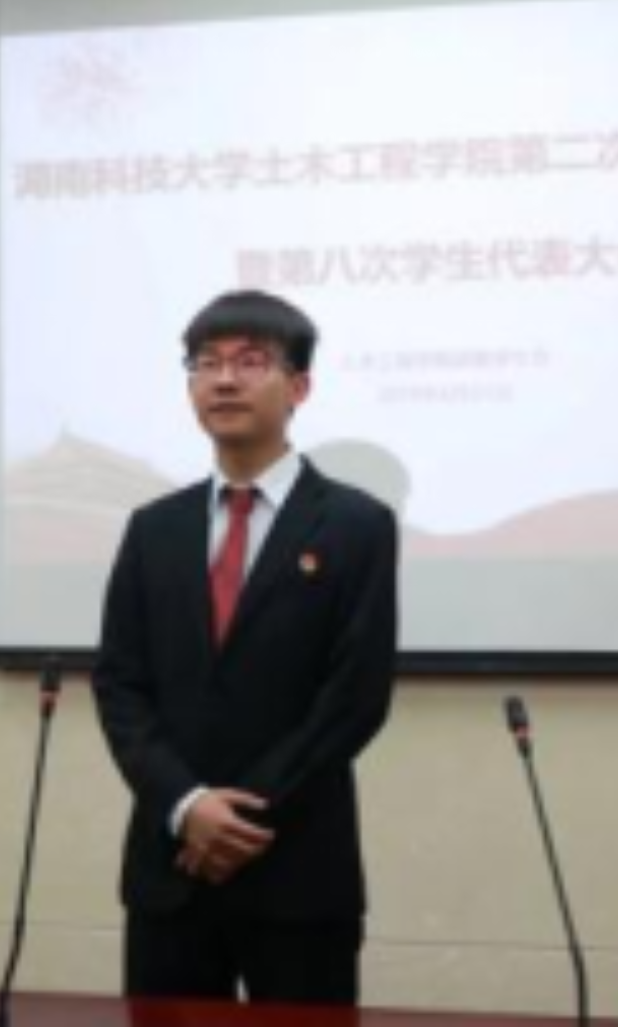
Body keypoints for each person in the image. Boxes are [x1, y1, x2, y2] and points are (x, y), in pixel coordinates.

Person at [92, 290, 400, 1006]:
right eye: (206, 363)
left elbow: (353, 698)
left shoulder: (357, 524)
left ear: (299, 387)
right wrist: (186, 804)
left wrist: (237, 819)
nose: (224, 380)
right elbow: (120, 685)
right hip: (171, 868)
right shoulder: (153, 528)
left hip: (298, 870)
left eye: (251, 361)